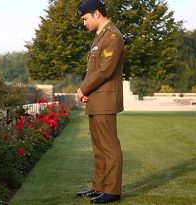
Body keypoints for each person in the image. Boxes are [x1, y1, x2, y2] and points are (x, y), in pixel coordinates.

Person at [75, 0, 125, 203]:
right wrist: (85, 92)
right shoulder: (99, 37)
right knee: (98, 147)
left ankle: (112, 190)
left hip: (105, 99)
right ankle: (99, 187)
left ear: (97, 14)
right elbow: (93, 71)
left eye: (85, 18)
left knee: (109, 147)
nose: (83, 23)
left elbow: (105, 70)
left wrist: (82, 89)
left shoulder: (112, 35)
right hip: (96, 98)